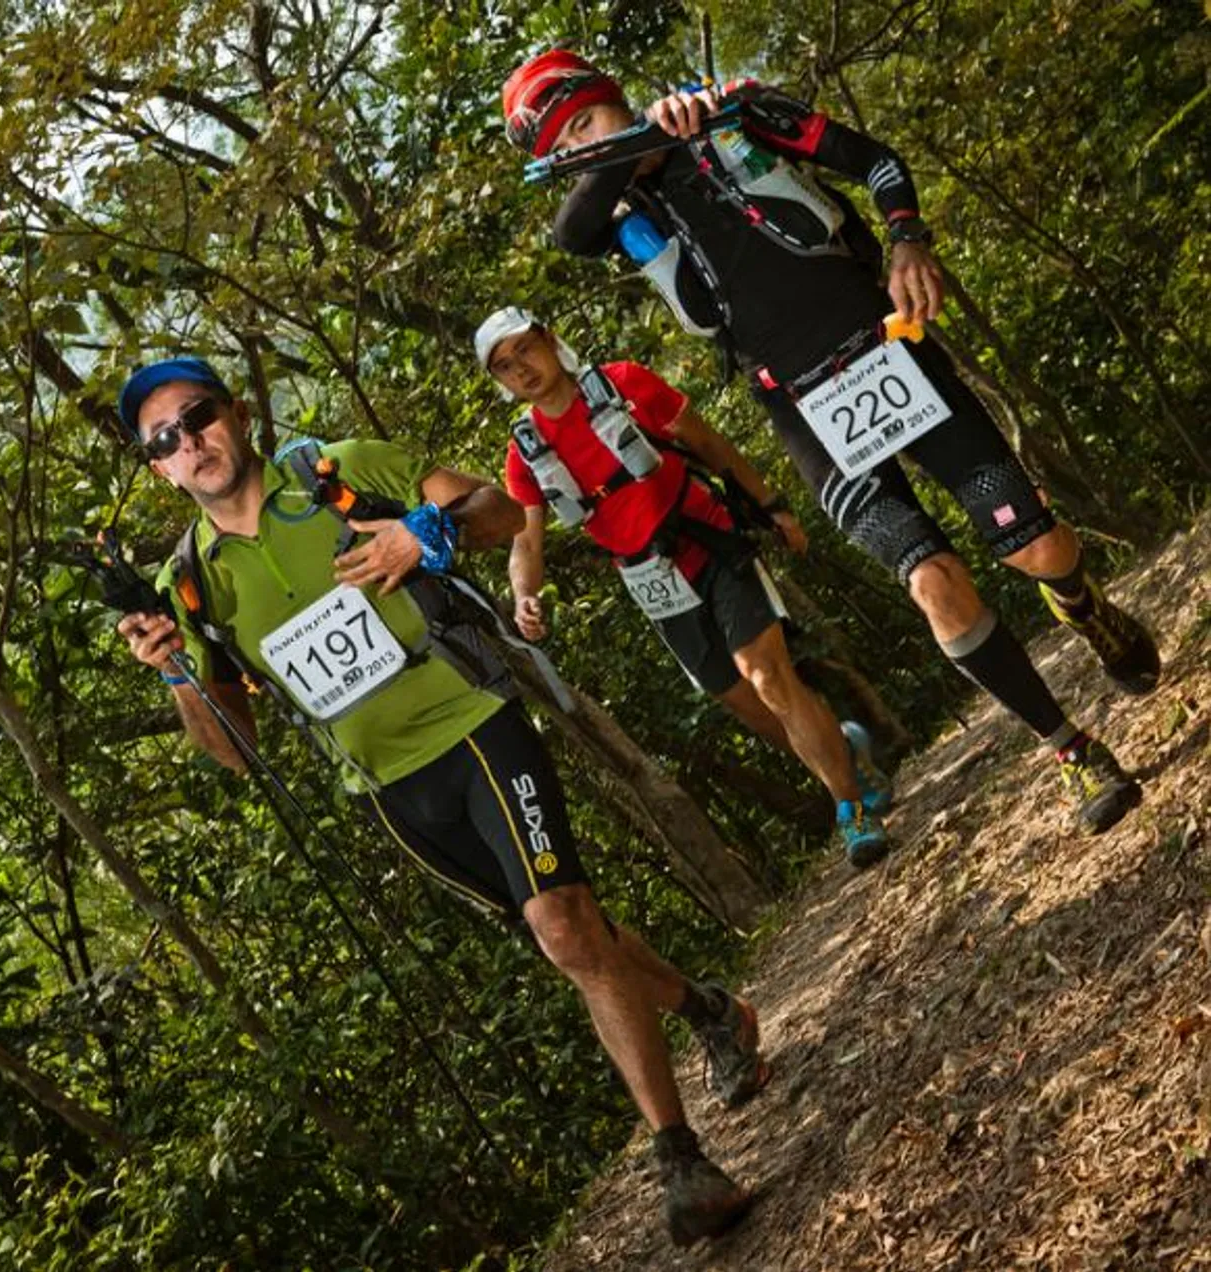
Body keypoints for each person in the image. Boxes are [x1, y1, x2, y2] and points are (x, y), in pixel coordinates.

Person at [113, 354, 763, 1246]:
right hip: (388, 788)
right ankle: (709, 1012)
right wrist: (178, 676)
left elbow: (499, 510)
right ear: (159, 469)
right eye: (164, 440)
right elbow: (235, 751)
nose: (189, 442)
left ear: (236, 414)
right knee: (569, 939)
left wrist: (425, 532)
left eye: (198, 416)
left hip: (472, 718)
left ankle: (681, 1160)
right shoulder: (191, 585)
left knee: (564, 927)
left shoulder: (333, 471)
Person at [498, 49, 1161, 834]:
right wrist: (631, 143)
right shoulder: (617, 220)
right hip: (804, 409)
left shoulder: (734, 112)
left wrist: (907, 240)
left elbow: (876, 162)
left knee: (1036, 549)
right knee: (932, 581)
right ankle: (1071, 749)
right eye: (565, 148)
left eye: (585, 122)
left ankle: (1084, 607)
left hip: (886, 351)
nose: (583, 145)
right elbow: (569, 231)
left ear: (612, 95)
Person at [476, 305, 896, 866]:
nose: (521, 368)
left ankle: (853, 812)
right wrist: (525, 595)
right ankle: (844, 753)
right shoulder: (525, 453)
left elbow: (708, 443)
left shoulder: (622, 383)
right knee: (749, 704)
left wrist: (770, 505)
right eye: (505, 365)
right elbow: (525, 542)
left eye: (524, 349)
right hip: (650, 580)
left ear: (549, 340)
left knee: (769, 677)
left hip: (710, 540)